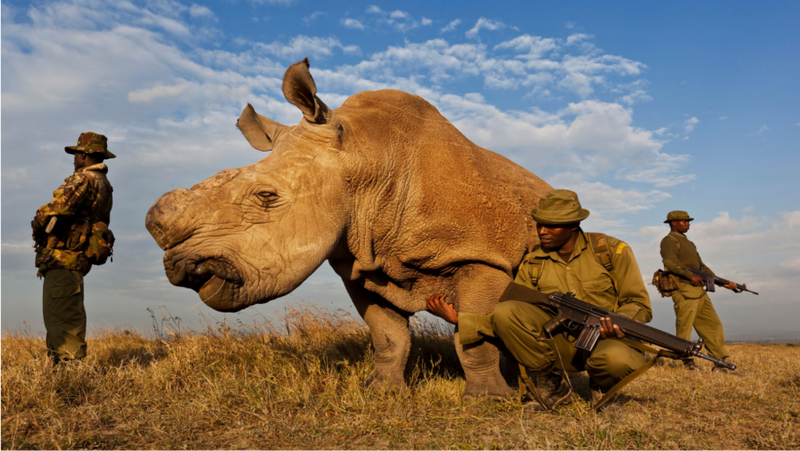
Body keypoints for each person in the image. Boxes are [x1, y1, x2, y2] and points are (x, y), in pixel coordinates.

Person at [427, 189, 651, 411]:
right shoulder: (533, 262)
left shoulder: (611, 252)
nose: (542, 231)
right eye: (539, 224)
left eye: (551, 225)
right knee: (506, 310)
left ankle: (603, 389)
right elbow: (507, 319)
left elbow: (639, 304)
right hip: (562, 345)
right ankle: (553, 388)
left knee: (616, 359)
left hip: (606, 340)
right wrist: (459, 319)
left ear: (573, 225)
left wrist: (619, 322)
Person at [31, 132, 115, 364]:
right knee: (61, 316)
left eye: (77, 152)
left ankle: (71, 377)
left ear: (85, 155)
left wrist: (37, 226)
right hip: (74, 260)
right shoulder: (105, 184)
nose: (75, 157)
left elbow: (50, 211)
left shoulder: (82, 179)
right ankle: (60, 370)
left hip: (63, 258)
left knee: (64, 319)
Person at [660, 210, 736, 372]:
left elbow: (702, 268)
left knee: (713, 324)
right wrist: (689, 275)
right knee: (684, 328)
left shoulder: (689, 242)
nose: (688, 224)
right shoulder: (669, 240)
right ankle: (687, 363)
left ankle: (720, 362)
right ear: (673, 223)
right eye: (684, 221)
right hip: (683, 289)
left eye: (688, 221)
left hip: (699, 291)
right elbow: (670, 262)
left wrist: (722, 282)